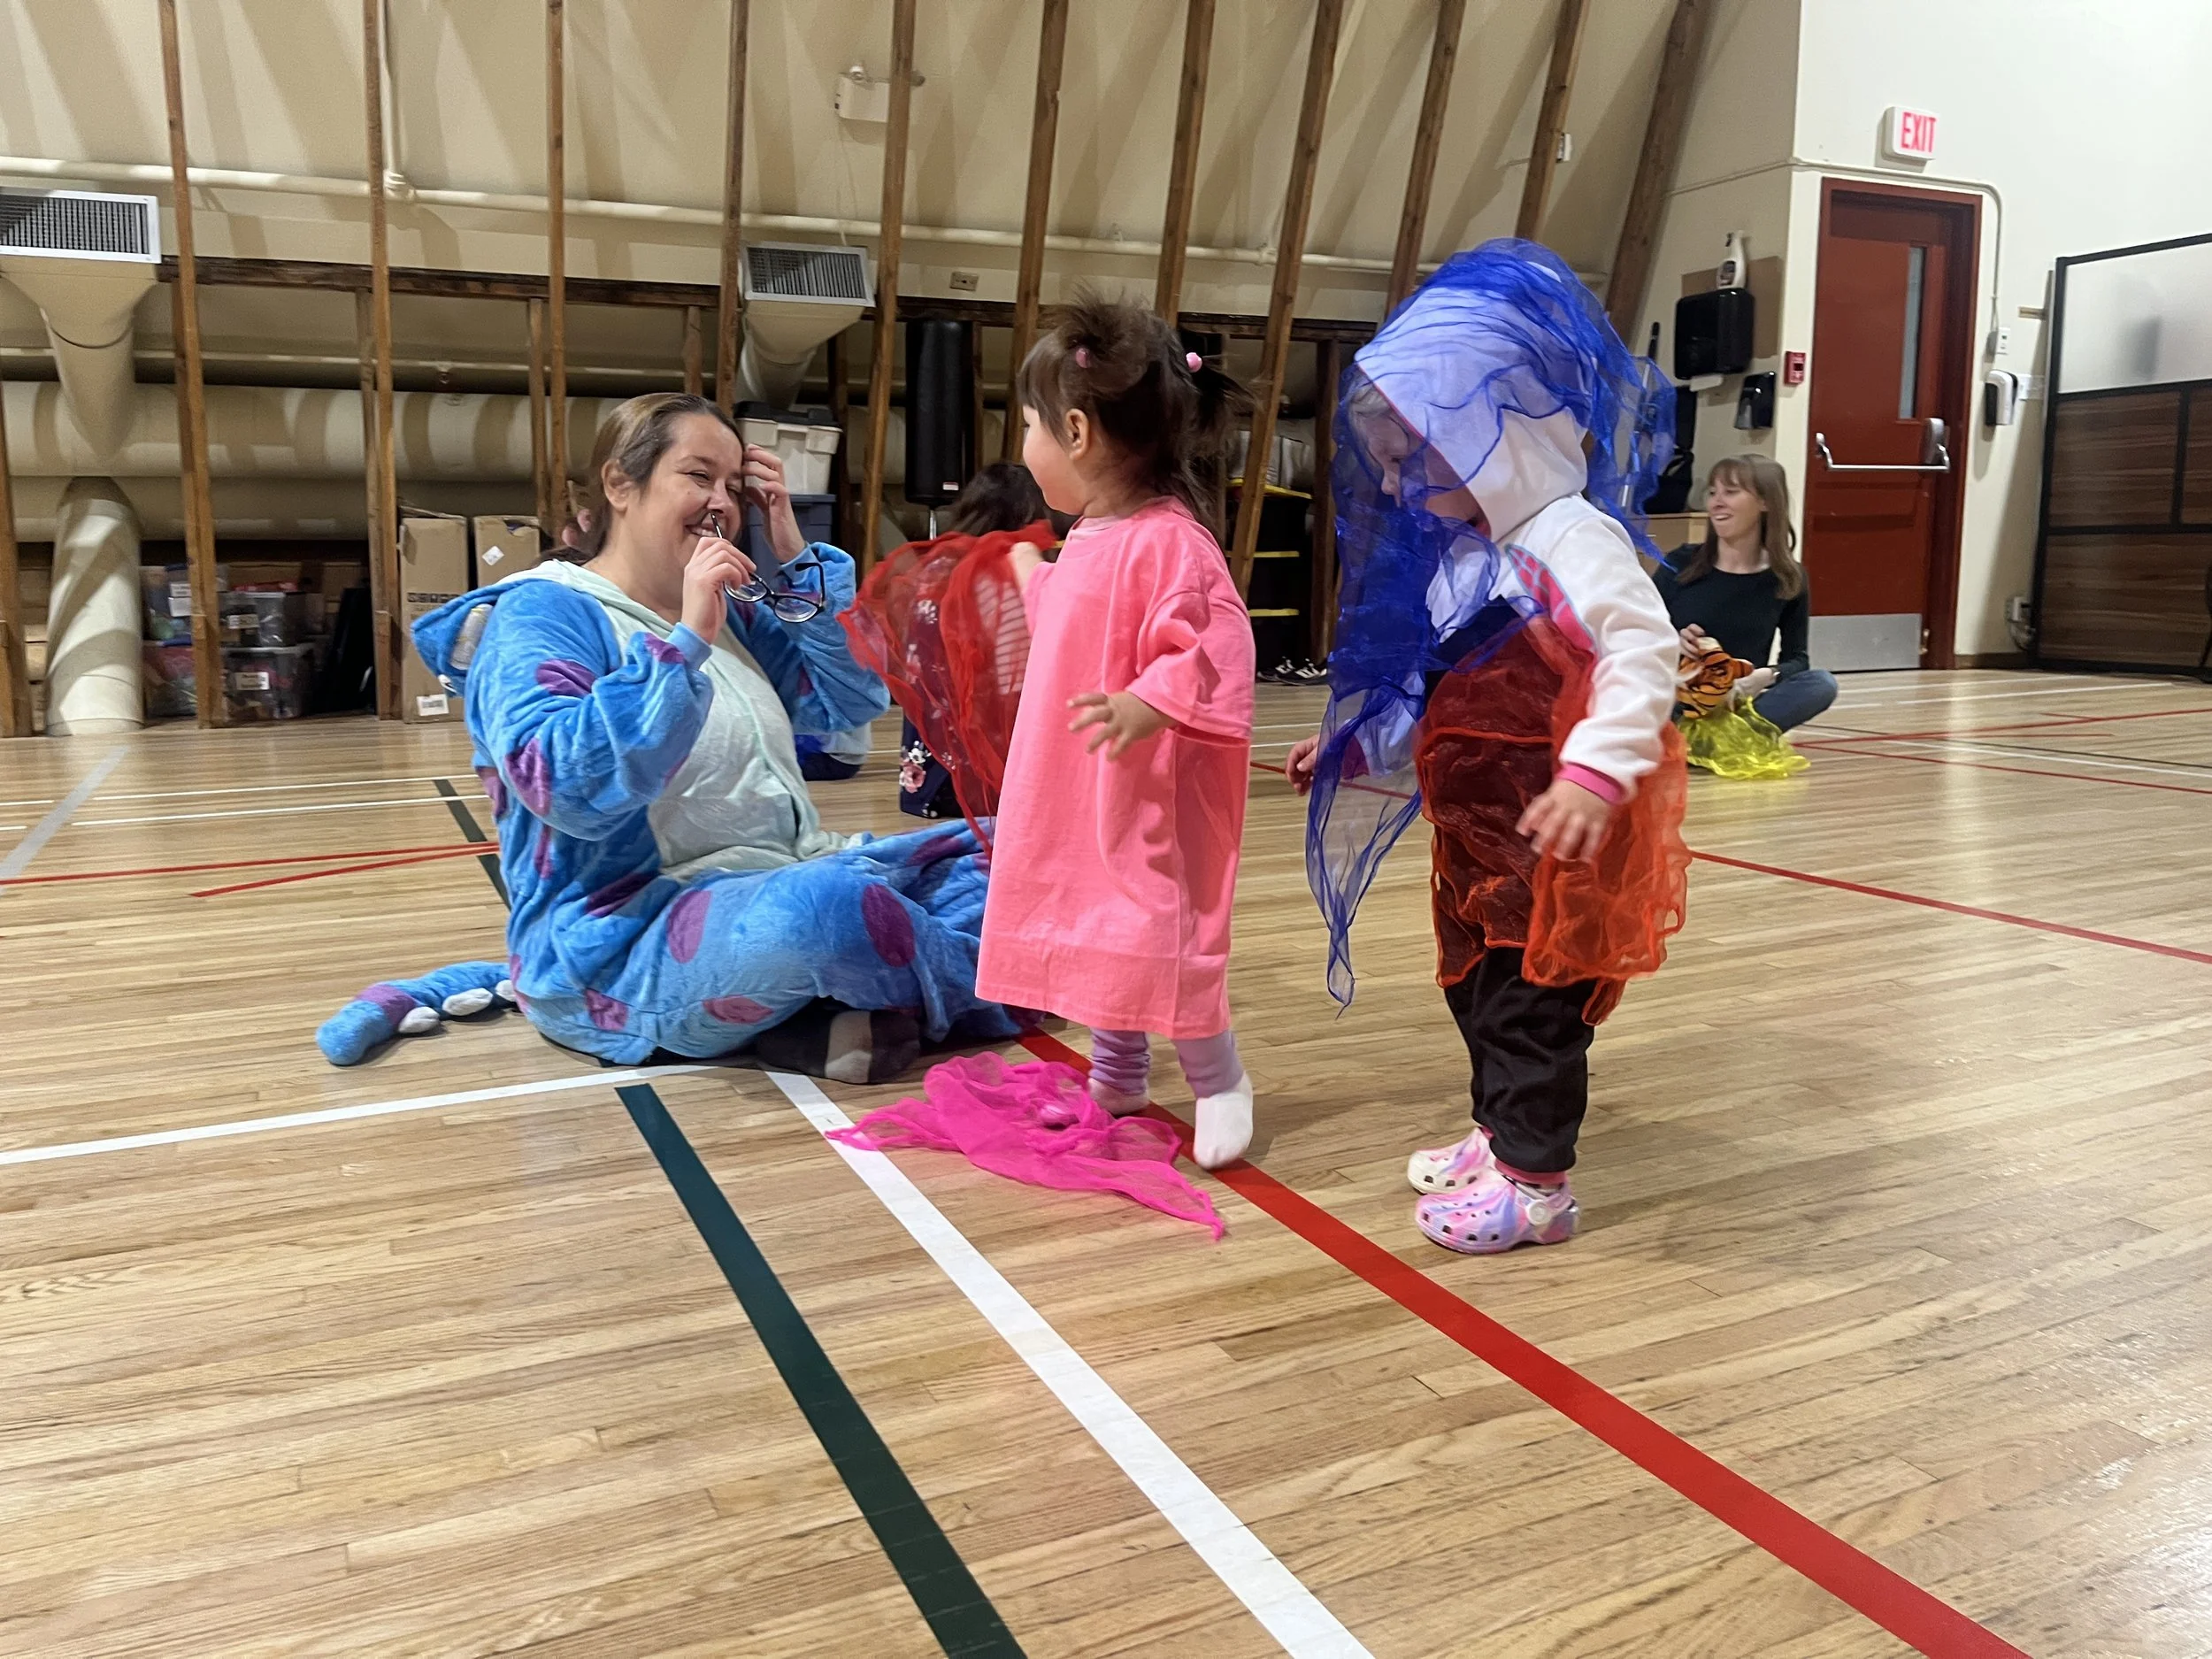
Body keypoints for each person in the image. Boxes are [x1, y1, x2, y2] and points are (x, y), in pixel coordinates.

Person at [381, 393, 1022, 1081]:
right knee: (832, 913)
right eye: (698, 476)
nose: (722, 502)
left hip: (783, 878)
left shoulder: (729, 611)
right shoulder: (541, 613)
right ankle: (1005, 979)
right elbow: (563, 785)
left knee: (1021, 854)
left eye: (734, 485)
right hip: (624, 939)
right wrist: (683, 645)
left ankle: (835, 1003)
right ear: (620, 483)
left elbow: (849, 699)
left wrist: (795, 555)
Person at [1286, 240, 1690, 1254]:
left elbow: (1642, 650)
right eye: (1386, 462)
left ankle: (1537, 1188)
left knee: (1531, 1007)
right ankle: (1498, 1134)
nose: (1394, 483)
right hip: (1478, 845)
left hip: (1556, 839)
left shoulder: (1569, 541)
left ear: (1492, 432)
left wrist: (1596, 772)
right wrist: (1356, 746)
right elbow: (1434, 694)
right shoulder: (1467, 560)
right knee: (1473, 990)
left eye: (1412, 455)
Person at [976, 296, 1261, 1170]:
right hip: (1076, 780)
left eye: (1028, 426)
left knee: (1154, 927)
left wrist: (1151, 700)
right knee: (1098, 923)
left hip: (1143, 789)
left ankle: (1218, 1078)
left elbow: (1211, 642)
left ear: (1075, 432)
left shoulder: (1172, 543)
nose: (1023, 445)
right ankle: (1117, 1073)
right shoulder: (1093, 535)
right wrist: (1031, 572)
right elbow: (1073, 621)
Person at [888, 464, 1056, 823]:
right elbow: (1016, 673)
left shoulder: (938, 565)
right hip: (980, 756)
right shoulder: (1008, 566)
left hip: (930, 747)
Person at [1651, 454, 1837, 732]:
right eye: (1713, 493)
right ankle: (1694, 736)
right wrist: (1674, 641)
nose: (1716, 502)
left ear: (1765, 502)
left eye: (1730, 492)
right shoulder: (1681, 562)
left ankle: (1728, 736)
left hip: (1735, 702)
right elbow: (1637, 633)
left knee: (1821, 684)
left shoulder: (1788, 578)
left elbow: (1798, 660)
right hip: (1676, 698)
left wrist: (1765, 676)